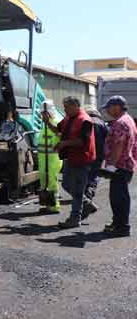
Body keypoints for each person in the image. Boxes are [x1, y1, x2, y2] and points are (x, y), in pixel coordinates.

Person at [44, 96, 96, 229]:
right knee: (66, 184)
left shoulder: (85, 120)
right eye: (64, 107)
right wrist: (47, 122)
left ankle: (74, 219)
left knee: (78, 191)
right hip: (71, 158)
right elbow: (58, 130)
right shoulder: (68, 118)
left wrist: (64, 143)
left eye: (67, 107)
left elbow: (83, 141)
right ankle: (87, 204)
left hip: (82, 160)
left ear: (75, 106)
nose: (65, 109)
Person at [102, 96, 137, 237]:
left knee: (118, 197)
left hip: (120, 165)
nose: (107, 111)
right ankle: (118, 223)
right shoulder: (128, 119)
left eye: (109, 107)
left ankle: (122, 227)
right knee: (120, 195)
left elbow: (118, 145)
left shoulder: (120, 123)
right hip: (125, 164)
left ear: (117, 106)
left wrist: (111, 166)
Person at [83, 105, 109, 218]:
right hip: (98, 157)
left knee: (80, 180)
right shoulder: (102, 124)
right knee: (92, 179)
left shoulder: (85, 121)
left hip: (85, 156)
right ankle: (87, 201)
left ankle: (85, 204)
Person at [37, 100, 63, 215]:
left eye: (43, 113)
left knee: (51, 181)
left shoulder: (56, 123)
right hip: (44, 157)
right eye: (41, 113)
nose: (41, 115)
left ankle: (54, 207)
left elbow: (60, 135)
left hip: (52, 158)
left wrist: (48, 123)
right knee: (44, 181)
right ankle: (48, 204)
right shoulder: (45, 125)